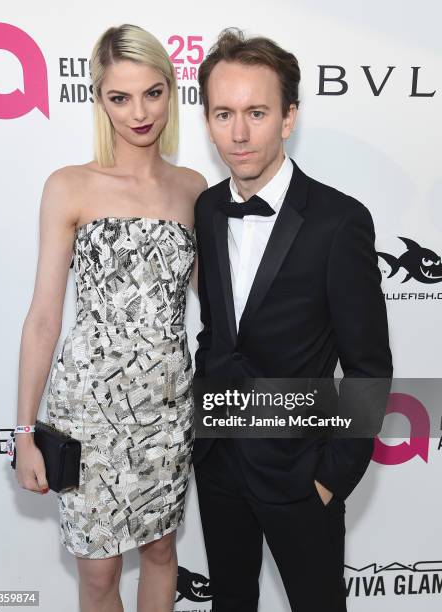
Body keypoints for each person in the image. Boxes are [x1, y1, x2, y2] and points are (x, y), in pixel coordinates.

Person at [192, 28, 393, 612]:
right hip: (218, 459)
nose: (239, 132)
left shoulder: (339, 221)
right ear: (207, 121)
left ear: (288, 117)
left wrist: (330, 477)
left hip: (300, 472)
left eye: (256, 112)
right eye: (223, 113)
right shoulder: (207, 207)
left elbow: (368, 365)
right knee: (232, 601)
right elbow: (220, 333)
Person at [12, 24, 206, 612]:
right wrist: (23, 433)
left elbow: (219, 308)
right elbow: (45, 315)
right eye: (119, 97)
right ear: (98, 99)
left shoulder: (194, 189)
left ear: (171, 92)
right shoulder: (69, 186)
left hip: (168, 410)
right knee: (97, 578)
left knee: (161, 557)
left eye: (152, 92)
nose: (139, 112)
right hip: (87, 413)